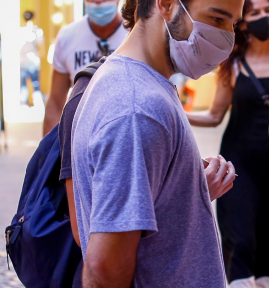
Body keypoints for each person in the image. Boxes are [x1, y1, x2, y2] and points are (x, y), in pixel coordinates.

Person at [69, 0, 241, 286]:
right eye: (217, 19)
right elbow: (105, 272)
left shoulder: (145, 85)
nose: (227, 37)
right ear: (167, 5)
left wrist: (187, 189)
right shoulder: (137, 108)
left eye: (233, 23)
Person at [182, 0, 269, 286]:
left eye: (267, 10)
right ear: (243, 22)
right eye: (254, 12)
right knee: (239, 236)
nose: (263, 16)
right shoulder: (233, 62)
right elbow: (213, 115)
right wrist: (176, 111)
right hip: (240, 164)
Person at [43, 0, 128, 135]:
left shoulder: (135, 33)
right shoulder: (67, 37)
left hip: (126, 132)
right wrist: (50, 152)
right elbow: (55, 103)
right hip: (81, 137)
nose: (98, 2)